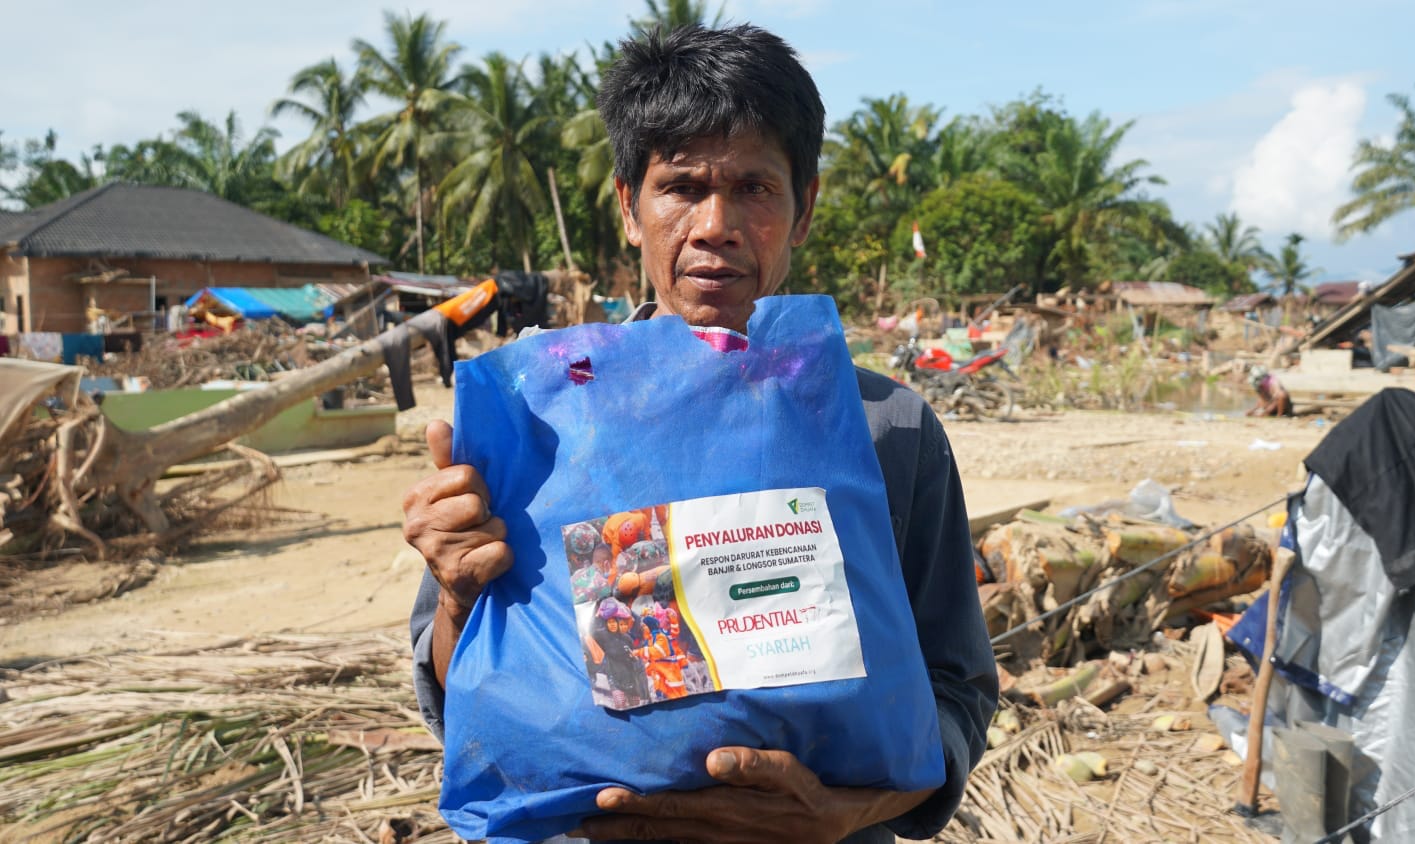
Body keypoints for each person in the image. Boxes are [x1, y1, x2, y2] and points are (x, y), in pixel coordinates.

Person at [401, 23, 997, 843]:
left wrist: (845, 813)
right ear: (629, 209)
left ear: (804, 208)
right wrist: (460, 596)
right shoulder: (538, 423)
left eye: (755, 187)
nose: (715, 224)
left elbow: (959, 688)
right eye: (681, 186)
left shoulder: (890, 431)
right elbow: (462, 699)